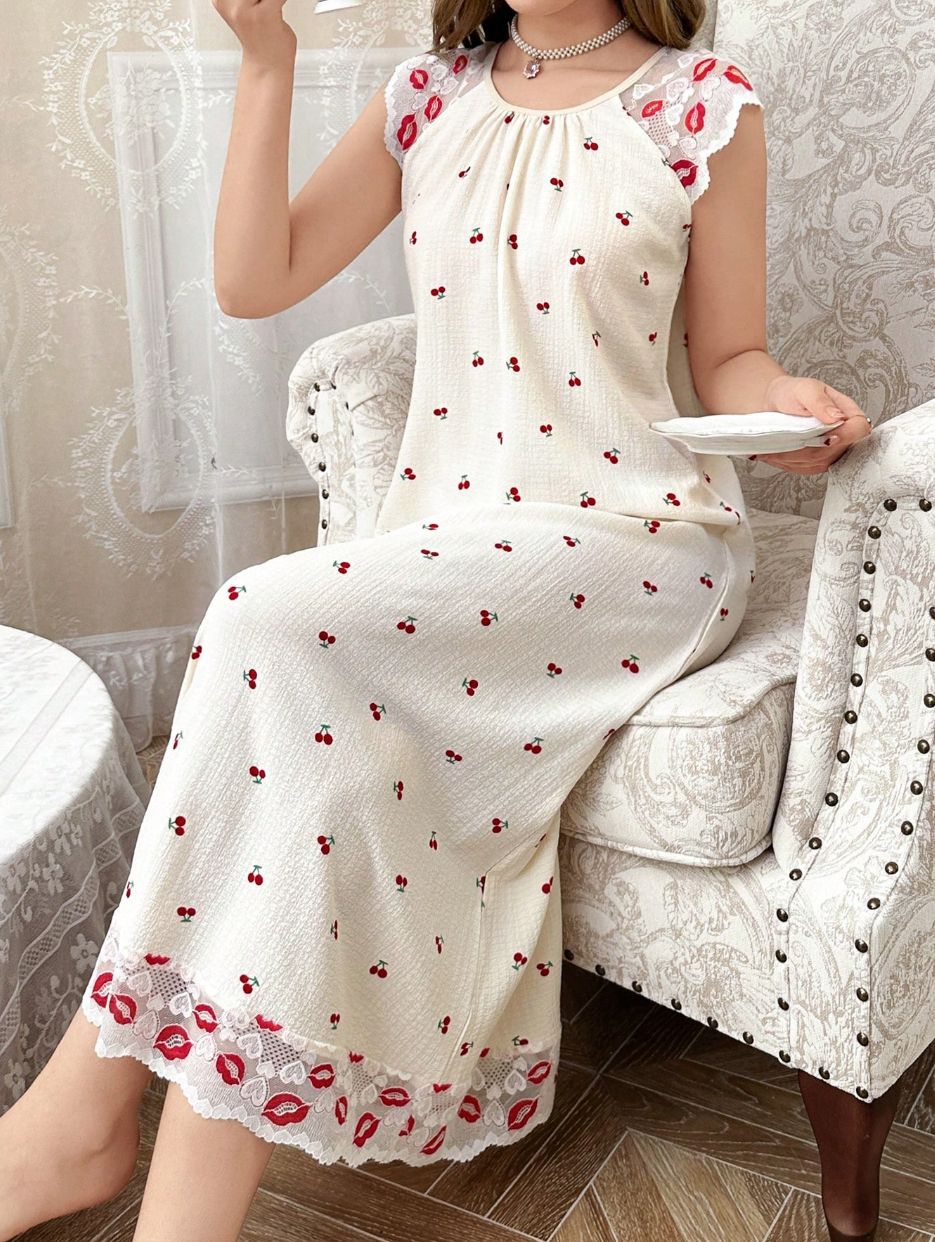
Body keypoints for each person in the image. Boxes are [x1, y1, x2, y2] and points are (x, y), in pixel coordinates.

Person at [0, 1, 873, 1239]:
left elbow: (729, 353)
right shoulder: (428, 97)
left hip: (637, 542)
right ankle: (133, 1176)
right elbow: (253, 280)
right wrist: (266, 64)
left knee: (261, 614)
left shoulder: (698, 106)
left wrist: (786, 406)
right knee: (315, 773)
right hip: (448, 539)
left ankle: (74, 1124)